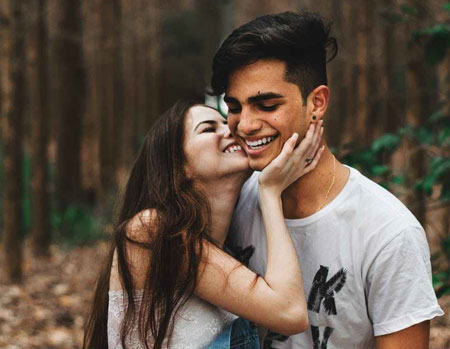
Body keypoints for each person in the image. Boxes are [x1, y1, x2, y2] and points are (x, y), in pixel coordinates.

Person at [210, 11, 444, 349]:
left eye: (266, 105)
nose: (244, 125)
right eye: (234, 107)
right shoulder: (230, 205)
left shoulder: (388, 232)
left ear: (317, 102)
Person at [83, 99, 324, 348]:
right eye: (209, 128)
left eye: (225, 122)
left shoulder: (227, 247)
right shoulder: (150, 229)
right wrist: (271, 191)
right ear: (179, 166)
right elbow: (289, 313)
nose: (234, 129)